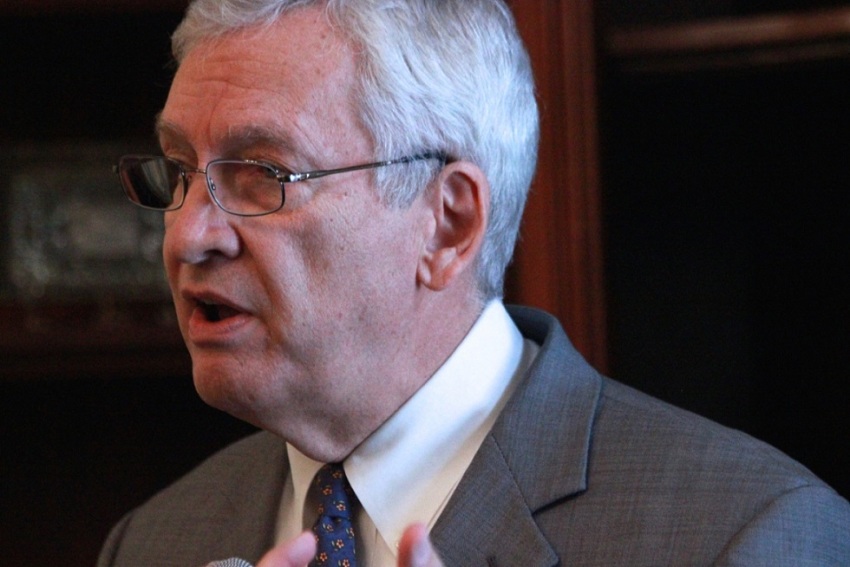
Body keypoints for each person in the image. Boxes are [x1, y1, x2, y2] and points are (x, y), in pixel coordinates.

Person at [99, 0, 850, 565]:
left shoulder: (748, 534)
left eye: (262, 175)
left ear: (448, 222)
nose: (189, 235)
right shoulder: (152, 541)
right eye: (183, 171)